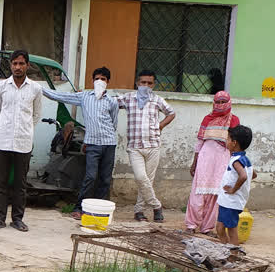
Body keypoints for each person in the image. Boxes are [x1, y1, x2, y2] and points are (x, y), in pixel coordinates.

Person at [42, 67, 119, 220]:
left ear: (108, 82)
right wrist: (41, 89)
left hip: (109, 143)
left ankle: (99, 210)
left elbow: (114, 123)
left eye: (103, 79)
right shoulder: (84, 97)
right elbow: (62, 96)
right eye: (97, 78)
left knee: (105, 178)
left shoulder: (112, 101)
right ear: (92, 80)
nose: (100, 81)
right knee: (90, 176)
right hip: (92, 144)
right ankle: (79, 207)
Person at [0, 50, 42, 233]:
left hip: (23, 142)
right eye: (14, 63)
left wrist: (25, 131)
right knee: (1, 182)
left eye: (21, 63)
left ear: (27, 65)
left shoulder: (35, 89)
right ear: (10, 65)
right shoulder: (1, 87)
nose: (17, 67)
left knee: (20, 184)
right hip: (3, 141)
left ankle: (17, 219)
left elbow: (36, 116)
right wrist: (4, 129)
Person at [118, 70, 176, 223]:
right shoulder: (128, 98)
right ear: (137, 83)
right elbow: (110, 102)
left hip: (153, 145)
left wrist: (161, 126)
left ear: (153, 84)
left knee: (147, 181)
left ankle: (139, 211)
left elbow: (171, 113)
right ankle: (156, 206)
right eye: (143, 82)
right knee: (141, 177)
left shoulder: (157, 100)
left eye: (149, 83)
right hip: (135, 147)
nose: (146, 85)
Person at [185, 91, 240, 234]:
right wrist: (194, 162)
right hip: (205, 157)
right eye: (218, 102)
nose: (220, 105)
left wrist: (233, 164)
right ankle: (191, 225)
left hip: (223, 159)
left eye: (223, 102)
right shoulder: (207, 119)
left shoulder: (234, 120)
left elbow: (235, 144)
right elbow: (199, 142)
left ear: (228, 103)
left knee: (216, 194)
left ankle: (207, 228)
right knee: (198, 192)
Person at [216, 125, 256, 245]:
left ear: (234, 143)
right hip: (228, 201)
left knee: (231, 230)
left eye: (228, 139)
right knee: (219, 228)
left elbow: (243, 176)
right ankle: (226, 251)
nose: (226, 141)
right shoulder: (245, 159)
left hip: (230, 202)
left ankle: (233, 255)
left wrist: (234, 189)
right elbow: (253, 175)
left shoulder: (236, 161)